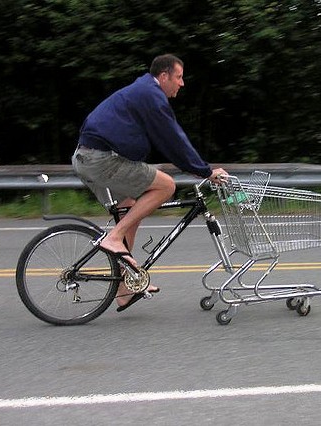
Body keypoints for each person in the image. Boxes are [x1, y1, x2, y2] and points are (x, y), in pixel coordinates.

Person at [72, 54, 227, 311]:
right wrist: (205, 171)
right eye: (178, 77)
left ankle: (124, 288)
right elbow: (173, 140)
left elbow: (164, 139)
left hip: (88, 156)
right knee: (166, 186)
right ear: (163, 76)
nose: (182, 83)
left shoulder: (144, 91)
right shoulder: (151, 96)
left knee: (130, 207)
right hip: (99, 159)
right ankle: (114, 238)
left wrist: (198, 168)